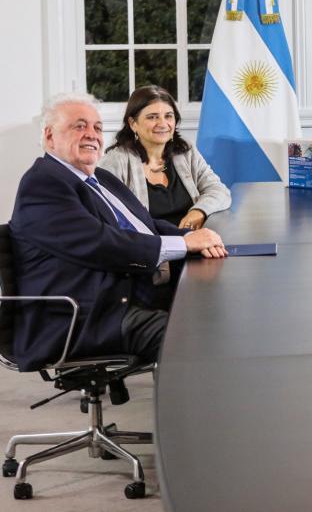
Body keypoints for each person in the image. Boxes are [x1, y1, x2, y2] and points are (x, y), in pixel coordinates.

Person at [8, 93, 227, 371]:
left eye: (97, 127)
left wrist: (190, 238)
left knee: (220, 310)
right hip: (84, 316)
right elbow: (99, 243)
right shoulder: (43, 184)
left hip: (126, 295)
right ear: (50, 136)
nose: (92, 134)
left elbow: (146, 224)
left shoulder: (99, 178)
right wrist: (184, 246)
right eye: (79, 126)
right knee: (193, 338)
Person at [98, 85, 230, 229]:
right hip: (148, 242)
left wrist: (199, 211)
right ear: (133, 123)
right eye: (152, 117)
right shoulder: (115, 161)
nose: (162, 124)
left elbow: (219, 191)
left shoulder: (185, 152)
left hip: (193, 238)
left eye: (168, 116)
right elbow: (106, 215)